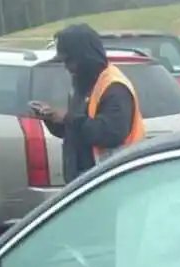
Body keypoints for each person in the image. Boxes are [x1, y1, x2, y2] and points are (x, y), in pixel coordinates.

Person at [28, 23, 144, 183]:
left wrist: (67, 118)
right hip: (84, 180)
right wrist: (50, 118)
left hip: (113, 180)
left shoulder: (114, 87)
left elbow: (110, 134)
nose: (67, 67)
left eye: (70, 61)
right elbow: (76, 131)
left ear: (84, 57)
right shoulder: (82, 83)